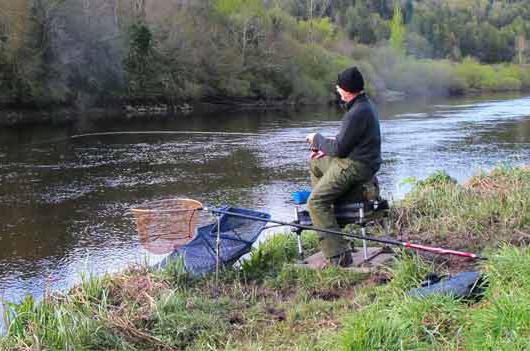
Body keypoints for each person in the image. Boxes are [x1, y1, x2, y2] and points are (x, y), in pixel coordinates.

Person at [305, 66, 382, 267]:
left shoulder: (356, 112)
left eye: (339, 88)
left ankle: (338, 256)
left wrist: (317, 138)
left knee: (315, 202)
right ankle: (330, 218)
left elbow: (339, 148)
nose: (337, 90)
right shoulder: (365, 105)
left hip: (356, 166)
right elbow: (345, 142)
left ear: (346, 90)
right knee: (316, 162)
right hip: (360, 161)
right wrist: (326, 148)